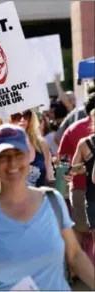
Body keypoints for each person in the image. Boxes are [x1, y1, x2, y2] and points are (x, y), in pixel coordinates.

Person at [0, 124, 95, 290]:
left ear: (29, 156)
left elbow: (76, 255)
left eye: (18, 154)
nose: (12, 163)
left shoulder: (52, 201)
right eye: (3, 156)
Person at [57, 92, 95, 250]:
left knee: (80, 233)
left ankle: (78, 271)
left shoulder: (73, 129)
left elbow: (64, 159)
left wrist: (61, 186)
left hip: (79, 190)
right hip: (84, 189)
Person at [0, 109, 53, 191]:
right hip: (6, 203)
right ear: (3, 117)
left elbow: (48, 180)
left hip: (37, 202)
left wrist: (65, 178)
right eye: (16, 115)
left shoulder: (40, 144)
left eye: (27, 114)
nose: (22, 119)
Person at [71, 108, 95, 258]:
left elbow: (72, 169)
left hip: (92, 196)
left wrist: (87, 167)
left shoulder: (84, 144)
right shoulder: (83, 143)